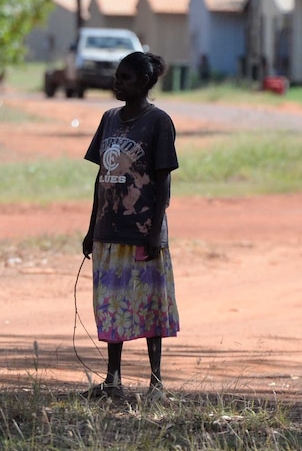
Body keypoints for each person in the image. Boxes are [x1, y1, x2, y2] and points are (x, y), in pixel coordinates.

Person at [81, 51, 180, 401]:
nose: (117, 83)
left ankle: (156, 383)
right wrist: (92, 228)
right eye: (116, 77)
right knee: (112, 306)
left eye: (125, 78)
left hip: (142, 231)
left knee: (150, 304)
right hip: (109, 231)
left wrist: (155, 230)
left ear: (144, 83)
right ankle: (113, 381)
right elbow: (100, 178)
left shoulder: (158, 122)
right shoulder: (109, 119)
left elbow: (163, 181)